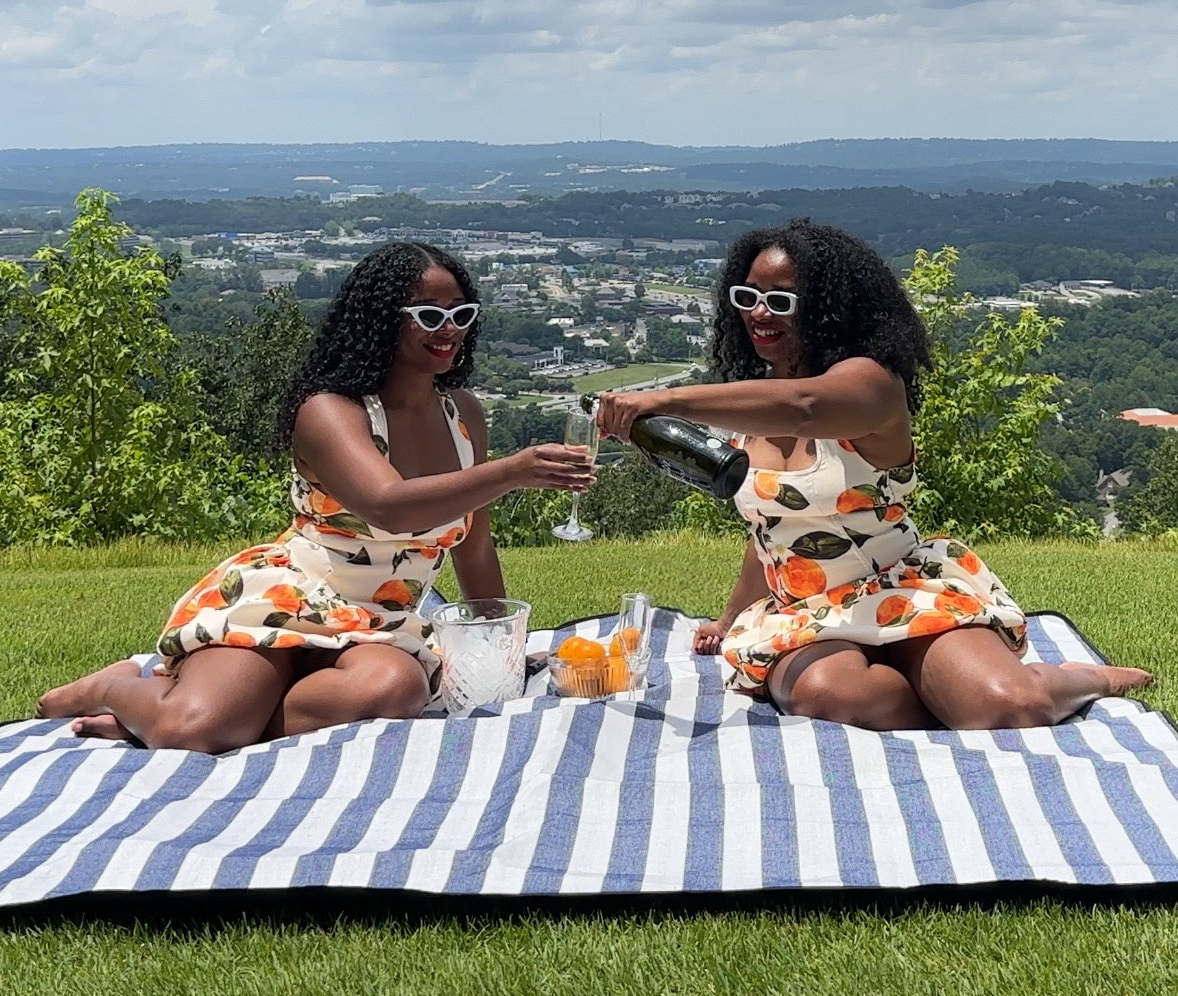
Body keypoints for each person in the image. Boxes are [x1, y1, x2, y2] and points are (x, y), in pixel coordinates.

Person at [37, 242, 593, 752]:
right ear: (380, 321)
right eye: (428, 315)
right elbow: (387, 504)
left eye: (461, 315)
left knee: (394, 691)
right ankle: (117, 688)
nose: (448, 329)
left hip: (382, 618)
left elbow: (474, 545)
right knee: (196, 730)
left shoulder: (463, 415)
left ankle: (219, 713)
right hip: (291, 596)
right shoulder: (330, 410)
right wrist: (511, 471)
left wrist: (499, 650)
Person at [596, 220, 1151, 731]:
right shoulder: (751, 405)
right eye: (748, 298)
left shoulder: (871, 384)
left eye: (781, 300)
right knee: (830, 695)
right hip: (808, 609)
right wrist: (731, 616)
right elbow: (770, 528)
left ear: (831, 307)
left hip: (900, 587)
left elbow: (805, 405)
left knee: (1012, 705)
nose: (759, 314)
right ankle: (943, 692)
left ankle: (1081, 679)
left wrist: (664, 401)